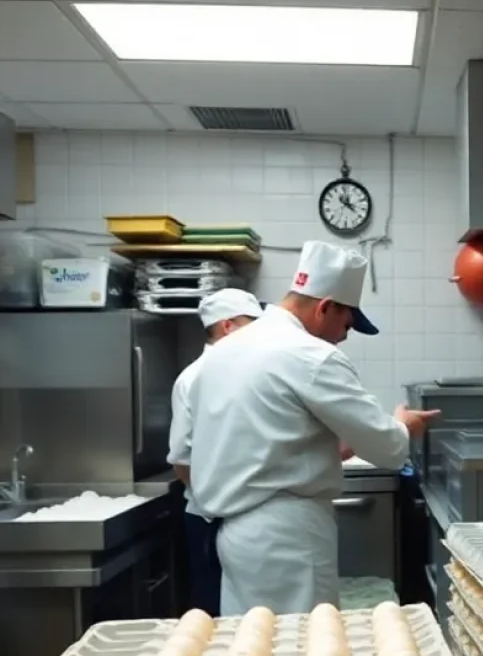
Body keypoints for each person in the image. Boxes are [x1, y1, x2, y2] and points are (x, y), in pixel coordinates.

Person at [179, 240, 439, 617]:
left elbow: (262, 436)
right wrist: (403, 425)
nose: (344, 336)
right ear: (325, 307)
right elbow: (386, 448)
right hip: (288, 539)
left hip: (235, 535)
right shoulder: (310, 355)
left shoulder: (224, 352)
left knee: (252, 654)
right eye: (346, 324)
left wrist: (323, 445)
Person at [168, 289, 263, 615]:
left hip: (243, 514)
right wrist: (215, 502)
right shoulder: (194, 377)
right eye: (253, 325)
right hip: (210, 518)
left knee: (252, 616)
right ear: (227, 326)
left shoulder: (250, 372)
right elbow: (182, 459)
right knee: (214, 615)